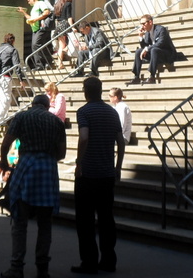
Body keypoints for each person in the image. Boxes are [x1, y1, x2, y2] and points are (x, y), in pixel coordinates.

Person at [0, 94, 67, 278]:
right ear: (46, 106)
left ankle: (16, 268)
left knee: (20, 223)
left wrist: (4, 162)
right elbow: (62, 153)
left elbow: (6, 144)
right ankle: (42, 269)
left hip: (25, 169)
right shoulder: (56, 122)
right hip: (48, 171)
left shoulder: (21, 117)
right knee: (45, 225)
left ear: (33, 104)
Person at [72, 77, 125, 274]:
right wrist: (117, 166)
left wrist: (79, 162)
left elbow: (84, 137)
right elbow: (120, 141)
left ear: (86, 92)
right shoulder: (111, 112)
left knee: (85, 220)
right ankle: (109, 260)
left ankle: (89, 262)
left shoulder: (84, 111)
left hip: (88, 173)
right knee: (106, 217)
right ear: (101, 91)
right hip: (106, 173)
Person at [129, 14, 177, 85]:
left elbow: (160, 43)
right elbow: (144, 47)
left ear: (150, 22)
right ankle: (136, 77)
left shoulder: (161, 29)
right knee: (138, 51)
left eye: (144, 23)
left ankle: (152, 77)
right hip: (155, 54)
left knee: (154, 49)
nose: (142, 26)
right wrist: (141, 37)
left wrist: (147, 48)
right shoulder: (147, 33)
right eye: (141, 24)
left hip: (166, 54)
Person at [0, 34, 25, 130]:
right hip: (5, 77)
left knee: (5, 100)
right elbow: (16, 65)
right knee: (5, 100)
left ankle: (1, 120)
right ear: (13, 41)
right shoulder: (12, 50)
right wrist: (21, 79)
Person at [18, 0, 54, 71]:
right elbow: (31, 18)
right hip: (35, 29)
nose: (28, 2)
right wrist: (23, 12)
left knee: (36, 45)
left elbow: (46, 12)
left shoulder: (40, 3)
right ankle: (48, 62)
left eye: (29, 0)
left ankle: (40, 65)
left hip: (41, 27)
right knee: (37, 45)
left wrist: (36, 19)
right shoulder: (34, 8)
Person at [53, 0, 75, 69]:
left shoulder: (57, 5)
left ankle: (60, 63)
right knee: (70, 42)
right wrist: (73, 27)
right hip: (65, 24)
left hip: (58, 25)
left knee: (61, 45)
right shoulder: (68, 4)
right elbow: (69, 17)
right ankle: (60, 62)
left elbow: (55, 18)